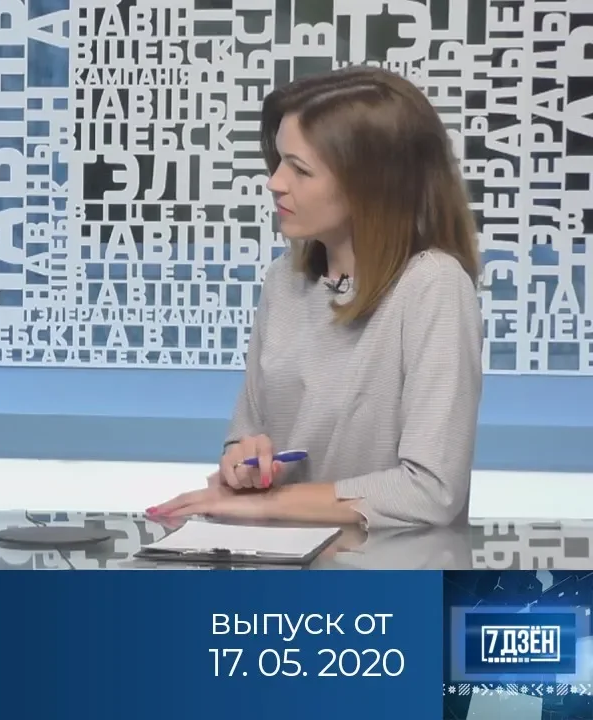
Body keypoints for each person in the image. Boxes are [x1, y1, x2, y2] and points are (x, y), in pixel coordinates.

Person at [147, 66, 484, 528]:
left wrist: (267, 503)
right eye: (279, 162)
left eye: (300, 169)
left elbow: (431, 491)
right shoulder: (283, 282)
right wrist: (246, 465)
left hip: (390, 566)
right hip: (280, 559)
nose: (275, 182)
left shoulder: (433, 286)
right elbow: (246, 436)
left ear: (372, 184)